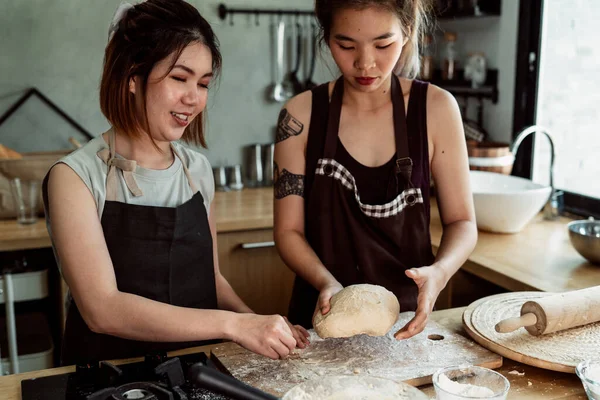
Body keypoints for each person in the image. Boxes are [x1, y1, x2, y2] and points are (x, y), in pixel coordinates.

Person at [43, 0, 308, 366]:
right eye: (179, 78)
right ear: (133, 77)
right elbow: (102, 309)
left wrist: (260, 325)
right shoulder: (74, 177)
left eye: (203, 83)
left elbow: (210, 279)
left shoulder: (196, 169)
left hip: (196, 370)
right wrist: (235, 325)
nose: (194, 98)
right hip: (110, 376)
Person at [273, 0, 478, 339]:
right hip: (320, 318)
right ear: (326, 38)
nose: (365, 63)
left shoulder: (436, 109)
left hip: (407, 323)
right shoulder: (301, 116)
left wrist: (440, 272)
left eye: (383, 45)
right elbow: (288, 232)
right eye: (345, 45)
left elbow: (463, 222)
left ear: (407, 32)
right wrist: (328, 284)